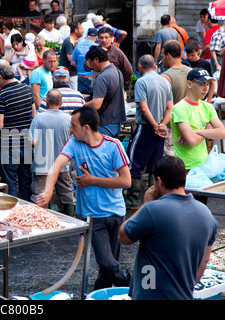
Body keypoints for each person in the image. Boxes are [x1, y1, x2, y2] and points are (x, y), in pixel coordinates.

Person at [36, 106, 131, 290]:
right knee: (106, 262)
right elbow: (56, 166)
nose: (70, 129)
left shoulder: (113, 146)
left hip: (116, 212)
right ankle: (133, 285)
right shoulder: (74, 143)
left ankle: (102, 293)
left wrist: (92, 180)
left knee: (109, 267)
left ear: (86, 127)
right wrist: (48, 192)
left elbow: (126, 181)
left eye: (73, 125)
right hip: (93, 216)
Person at [118, 155, 218, 300]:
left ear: (158, 181)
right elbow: (204, 261)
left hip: (150, 293)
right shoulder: (207, 215)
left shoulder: (152, 210)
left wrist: (146, 204)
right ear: (185, 177)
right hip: (183, 294)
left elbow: (123, 236)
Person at [124, 55, 173, 209]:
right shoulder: (165, 81)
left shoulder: (141, 81)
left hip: (146, 128)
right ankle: (154, 197)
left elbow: (144, 109)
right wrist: (162, 125)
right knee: (155, 166)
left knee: (134, 164)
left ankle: (132, 200)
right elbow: (170, 107)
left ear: (140, 66)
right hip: (160, 130)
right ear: (154, 65)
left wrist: (153, 125)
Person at [29, 89, 74, 215]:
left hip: (42, 164)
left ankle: (38, 220)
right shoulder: (68, 119)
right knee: (66, 192)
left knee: (39, 193)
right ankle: (71, 219)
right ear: (61, 103)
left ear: (46, 102)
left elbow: (32, 141)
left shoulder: (39, 118)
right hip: (62, 163)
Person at [171, 68, 225, 171]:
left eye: (207, 84)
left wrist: (198, 131)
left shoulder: (207, 107)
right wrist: (208, 130)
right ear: (189, 84)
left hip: (204, 165)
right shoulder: (180, 108)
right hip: (185, 167)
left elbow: (222, 132)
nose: (205, 88)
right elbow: (191, 140)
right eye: (201, 84)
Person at [0, 64, 34, 201]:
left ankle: (12, 210)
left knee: (10, 180)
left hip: (9, 144)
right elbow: (33, 114)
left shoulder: (1, 95)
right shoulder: (26, 88)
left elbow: (0, 124)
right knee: (25, 179)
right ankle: (27, 210)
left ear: (0, 76)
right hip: (27, 141)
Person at [84, 45, 125, 138]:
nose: (91, 67)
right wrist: (85, 97)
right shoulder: (117, 72)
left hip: (104, 124)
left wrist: (81, 104)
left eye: (90, 63)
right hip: (115, 122)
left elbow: (96, 104)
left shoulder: (102, 77)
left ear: (96, 60)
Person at [72, 28, 98, 95]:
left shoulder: (78, 46)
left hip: (80, 77)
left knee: (81, 98)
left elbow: (72, 62)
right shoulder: (97, 47)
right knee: (91, 99)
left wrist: (80, 66)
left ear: (87, 35)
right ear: (97, 37)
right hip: (92, 77)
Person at [59, 22, 83, 90]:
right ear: (76, 30)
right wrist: (81, 67)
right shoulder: (69, 41)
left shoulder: (76, 41)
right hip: (70, 75)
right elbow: (71, 60)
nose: (82, 31)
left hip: (74, 74)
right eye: (81, 29)